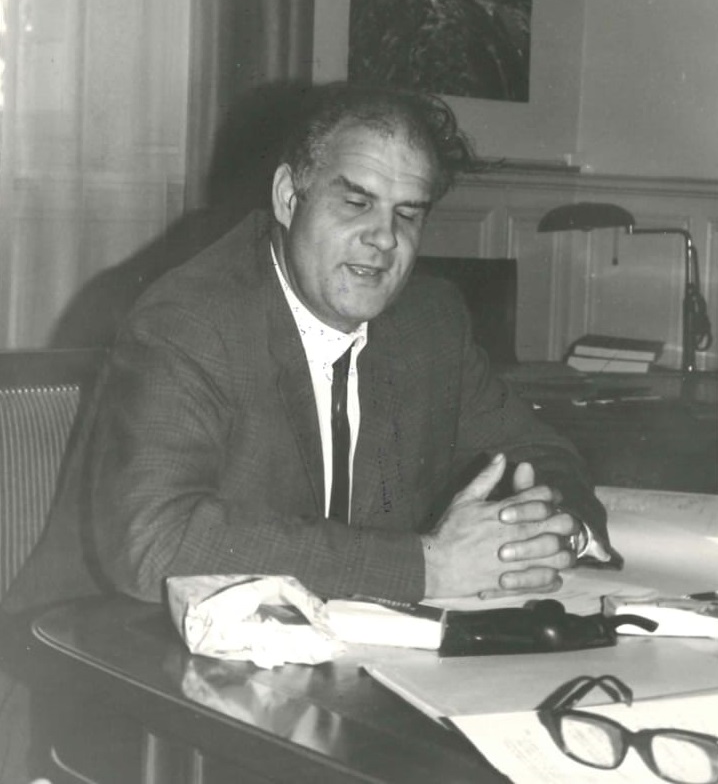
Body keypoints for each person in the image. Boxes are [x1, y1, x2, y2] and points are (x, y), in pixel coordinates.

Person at [6, 83, 613, 620]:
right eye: (356, 202)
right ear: (288, 198)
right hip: (105, 655)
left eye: (408, 214)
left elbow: (538, 451)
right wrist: (427, 565)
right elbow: (155, 543)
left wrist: (547, 532)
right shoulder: (189, 321)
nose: (384, 238)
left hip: (332, 653)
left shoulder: (429, 321)